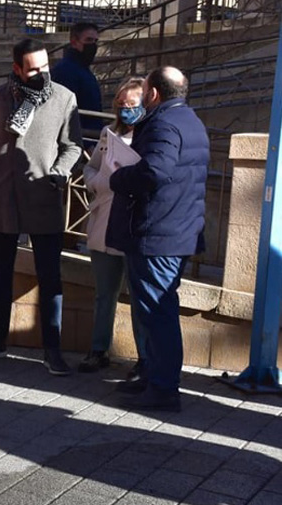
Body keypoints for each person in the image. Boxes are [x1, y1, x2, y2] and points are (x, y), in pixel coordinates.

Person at [0, 38, 83, 376]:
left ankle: (52, 350)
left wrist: (58, 175)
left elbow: (73, 146)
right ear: (17, 68)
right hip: (2, 199)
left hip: (43, 197)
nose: (41, 73)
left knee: (50, 276)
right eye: (33, 68)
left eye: (45, 66)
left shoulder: (64, 98)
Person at [107, 66, 209, 411]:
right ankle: (154, 377)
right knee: (155, 311)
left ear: (152, 94)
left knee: (158, 312)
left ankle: (164, 388)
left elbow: (156, 171)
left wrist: (120, 177)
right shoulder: (191, 120)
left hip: (160, 233)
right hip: (177, 229)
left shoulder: (163, 123)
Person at [79, 77, 149, 375]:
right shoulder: (108, 134)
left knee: (138, 295)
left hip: (133, 222)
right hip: (105, 216)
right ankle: (98, 349)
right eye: (121, 105)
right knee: (104, 292)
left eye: (132, 105)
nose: (125, 110)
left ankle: (145, 357)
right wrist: (98, 183)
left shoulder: (151, 138)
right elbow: (91, 166)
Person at [51, 22, 103, 145]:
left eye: (96, 41)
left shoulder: (83, 69)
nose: (93, 45)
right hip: (79, 141)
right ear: (74, 42)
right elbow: (65, 112)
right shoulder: (65, 70)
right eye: (89, 40)